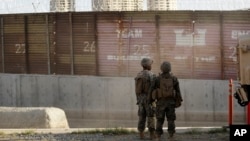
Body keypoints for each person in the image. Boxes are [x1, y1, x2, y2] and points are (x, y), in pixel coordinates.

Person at [150, 61, 183, 140]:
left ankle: (158, 136)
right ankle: (171, 136)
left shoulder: (157, 79)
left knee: (159, 120)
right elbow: (178, 91)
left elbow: (151, 90)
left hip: (160, 103)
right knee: (171, 120)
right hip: (171, 103)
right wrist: (179, 101)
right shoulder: (174, 78)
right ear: (170, 68)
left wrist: (150, 100)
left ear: (161, 69)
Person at [134, 58, 156, 140]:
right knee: (151, 116)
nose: (151, 66)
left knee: (141, 116)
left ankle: (141, 134)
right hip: (149, 100)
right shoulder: (151, 75)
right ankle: (152, 135)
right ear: (148, 65)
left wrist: (138, 100)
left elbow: (136, 89)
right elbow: (154, 88)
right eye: (150, 64)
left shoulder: (138, 75)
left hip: (140, 100)